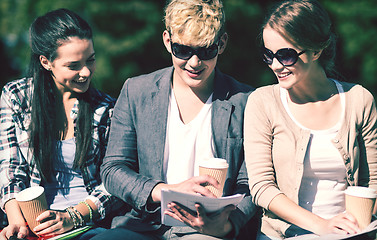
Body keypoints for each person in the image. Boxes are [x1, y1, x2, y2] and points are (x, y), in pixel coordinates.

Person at [91, 0, 257, 239]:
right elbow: (113, 169)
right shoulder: (136, 90)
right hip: (142, 224)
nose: (194, 62)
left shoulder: (246, 101)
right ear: (167, 41)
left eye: (206, 50)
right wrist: (164, 191)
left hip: (207, 230)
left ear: (222, 44)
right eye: (183, 50)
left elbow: (251, 182)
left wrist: (228, 225)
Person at [244, 0, 377, 239]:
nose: (275, 65)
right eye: (268, 55)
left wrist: (354, 228)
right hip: (285, 235)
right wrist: (321, 226)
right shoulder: (262, 102)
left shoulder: (359, 100)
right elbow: (262, 188)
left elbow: (373, 183)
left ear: (317, 50)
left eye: (285, 55)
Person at [0, 8, 124, 240]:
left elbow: (115, 182)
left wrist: (73, 217)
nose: (86, 72)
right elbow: (10, 169)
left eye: (91, 60)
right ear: (46, 62)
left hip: (89, 224)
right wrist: (17, 224)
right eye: (73, 65)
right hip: (31, 226)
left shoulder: (107, 108)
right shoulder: (16, 96)